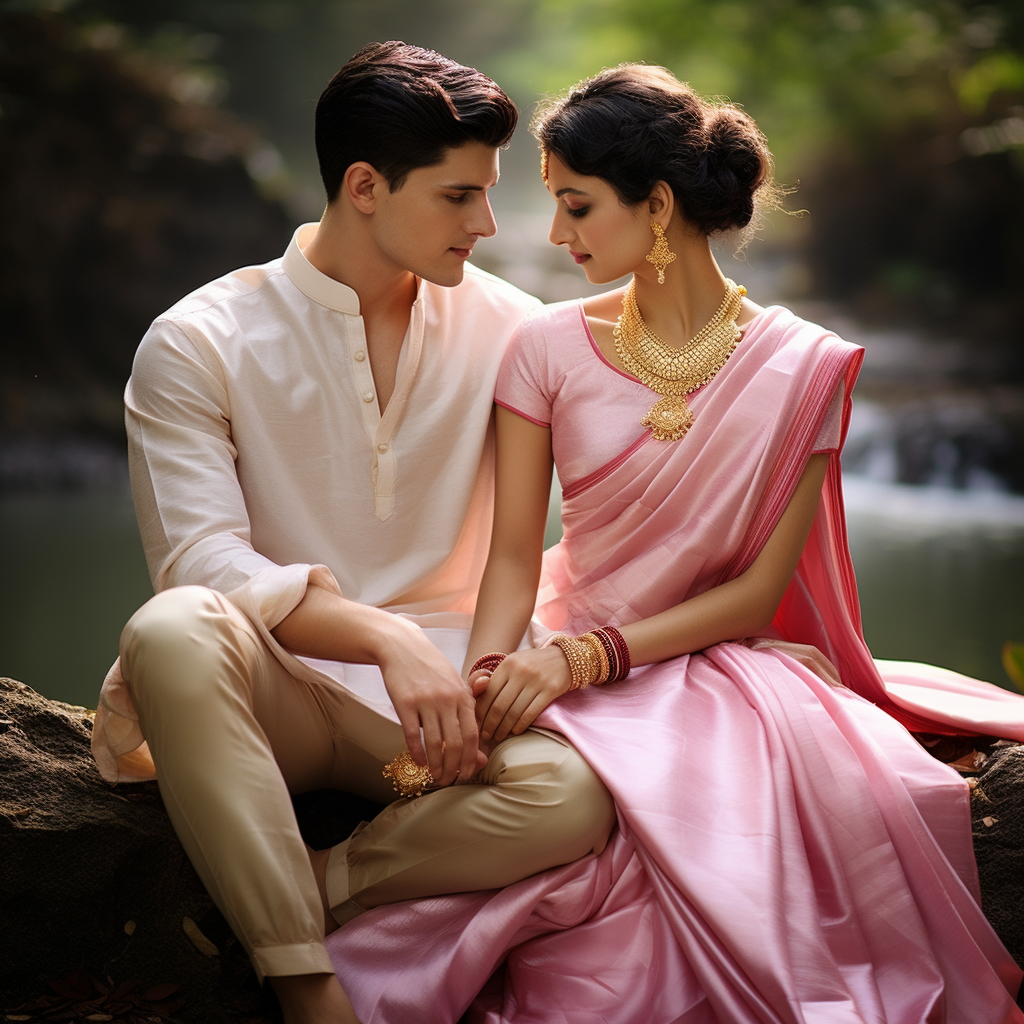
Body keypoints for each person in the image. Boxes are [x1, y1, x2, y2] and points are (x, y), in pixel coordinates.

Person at [323, 64, 1024, 1022]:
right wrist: (492, 668)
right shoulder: (545, 347)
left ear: (657, 206)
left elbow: (751, 596)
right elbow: (516, 554)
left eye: (577, 207)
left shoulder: (803, 367)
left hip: (710, 660)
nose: (556, 237)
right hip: (559, 637)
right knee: (536, 789)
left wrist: (588, 659)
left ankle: (324, 887)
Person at [89, 42, 616, 1024]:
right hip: (271, 693)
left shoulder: (515, 333)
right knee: (169, 626)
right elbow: (198, 559)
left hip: (437, 716)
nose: (488, 225)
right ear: (365, 186)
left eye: (486, 195)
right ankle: (305, 985)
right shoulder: (200, 338)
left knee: (570, 798)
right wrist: (381, 634)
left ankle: (320, 879)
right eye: (459, 196)